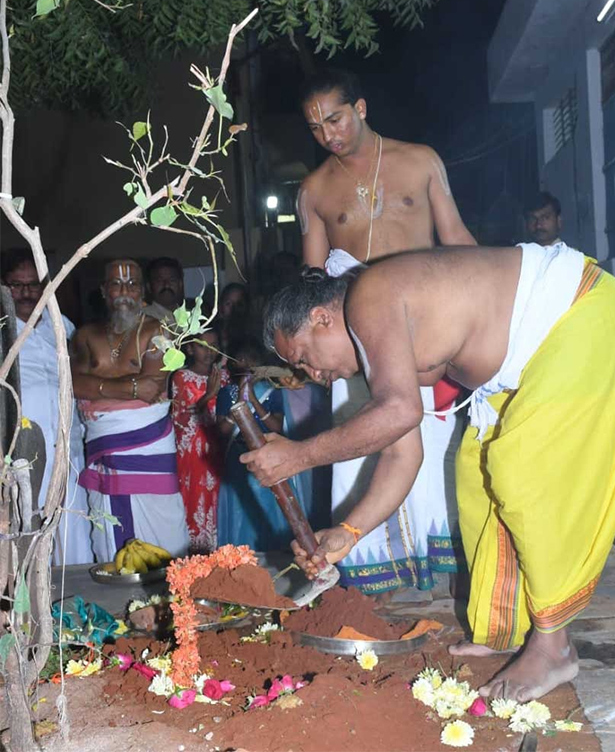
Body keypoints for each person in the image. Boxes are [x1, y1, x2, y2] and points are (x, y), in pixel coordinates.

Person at [243, 244, 615, 702]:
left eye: (305, 357)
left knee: (522, 475)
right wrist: (348, 533)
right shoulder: (378, 342)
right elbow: (401, 456)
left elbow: (400, 412)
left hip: (580, 313)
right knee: (476, 474)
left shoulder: (368, 296)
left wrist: (299, 455)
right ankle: (503, 628)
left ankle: (555, 647)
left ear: (321, 318)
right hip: (532, 359)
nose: (313, 374)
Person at [298, 67, 475, 595]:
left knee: (431, 451)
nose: (328, 134)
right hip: (353, 341)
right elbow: (310, 285)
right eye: (315, 127)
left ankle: (450, 578)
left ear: (361, 108)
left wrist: (485, 305)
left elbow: (457, 240)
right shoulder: (313, 190)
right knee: (361, 447)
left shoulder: (420, 160)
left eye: (335, 118)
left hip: (426, 329)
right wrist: (307, 357)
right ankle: (368, 580)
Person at [71, 258, 189, 562]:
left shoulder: (159, 331)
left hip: (148, 443)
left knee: (166, 536)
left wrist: (97, 386)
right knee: (109, 542)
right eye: (116, 284)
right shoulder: (85, 335)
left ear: (143, 290)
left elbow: (153, 384)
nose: (125, 291)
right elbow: (72, 384)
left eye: (132, 284)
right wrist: (132, 388)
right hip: (103, 446)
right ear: (103, 290)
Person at [1, 249, 93, 564]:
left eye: (33, 285)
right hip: (25, 451)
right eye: (16, 285)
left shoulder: (61, 325)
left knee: (73, 530)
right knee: (28, 531)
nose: (26, 293)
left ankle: (76, 603)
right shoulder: (2, 329)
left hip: (69, 447)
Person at [216, 336, 308, 551]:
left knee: (272, 508)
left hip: (270, 456)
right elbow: (222, 431)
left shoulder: (273, 391)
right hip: (238, 458)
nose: (247, 365)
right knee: (241, 511)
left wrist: (253, 401)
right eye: (241, 359)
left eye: (252, 360)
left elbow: (276, 427)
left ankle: (275, 555)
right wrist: (239, 399)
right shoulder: (226, 393)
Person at [171, 327, 229, 553]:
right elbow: (181, 419)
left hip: (219, 448)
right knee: (196, 500)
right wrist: (208, 395)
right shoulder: (181, 377)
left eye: (213, 346)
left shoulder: (224, 376)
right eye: (203, 346)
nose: (209, 352)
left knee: (219, 501)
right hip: (194, 454)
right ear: (190, 348)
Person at [144, 256, 185, 323]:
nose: (166, 285)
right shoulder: (142, 317)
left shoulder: (191, 316)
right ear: (149, 287)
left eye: (172, 280)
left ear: (180, 284)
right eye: (159, 281)